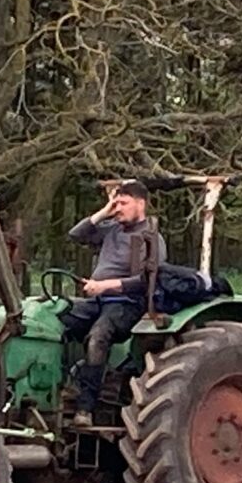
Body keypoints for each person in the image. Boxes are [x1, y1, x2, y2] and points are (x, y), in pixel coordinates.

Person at [64, 181, 167, 427]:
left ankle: (85, 409)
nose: (118, 208)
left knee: (98, 336)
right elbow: (75, 235)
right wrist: (105, 211)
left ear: (140, 204)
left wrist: (105, 286)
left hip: (126, 303)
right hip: (97, 300)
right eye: (116, 203)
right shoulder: (111, 229)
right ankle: (61, 388)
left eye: (123, 203)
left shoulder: (150, 238)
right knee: (54, 318)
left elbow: (146, 280)